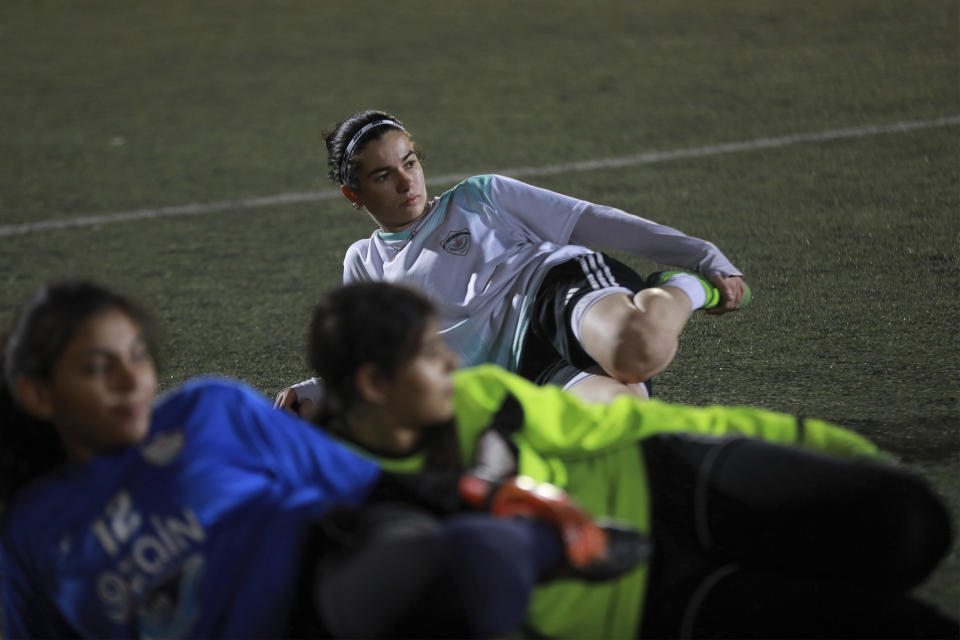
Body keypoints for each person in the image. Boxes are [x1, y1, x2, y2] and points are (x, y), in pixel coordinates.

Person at [296, 281, 957, 639]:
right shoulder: (356, 513)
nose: (449, 361)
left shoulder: (474, 395)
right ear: (375, 384)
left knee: (910, 523)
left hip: (671, 479)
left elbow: (638, 420)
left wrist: (823, 444)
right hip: (645, 608)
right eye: (425, 353)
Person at [0, 281, 647, 639]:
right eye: (96, 368)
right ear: (36, 393)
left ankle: (558, 549)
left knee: (463, 556)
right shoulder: (25, 536)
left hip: (330, 572)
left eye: (137, 356)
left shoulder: (207, 410)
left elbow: (372, 489)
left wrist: (501, 500)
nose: (132, 380)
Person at [276, 109, 750, 413]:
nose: (406, 182)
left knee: (640, 353)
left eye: (410, 162)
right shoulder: (364, 263)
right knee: (628, 422)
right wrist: (314, 390)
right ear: (353, 194)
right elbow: (369, 359)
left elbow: (598, 223)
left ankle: (682, 286)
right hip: (522, 371)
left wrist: (702, 256)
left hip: (557, 291)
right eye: (384, 175)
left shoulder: (482, 195)